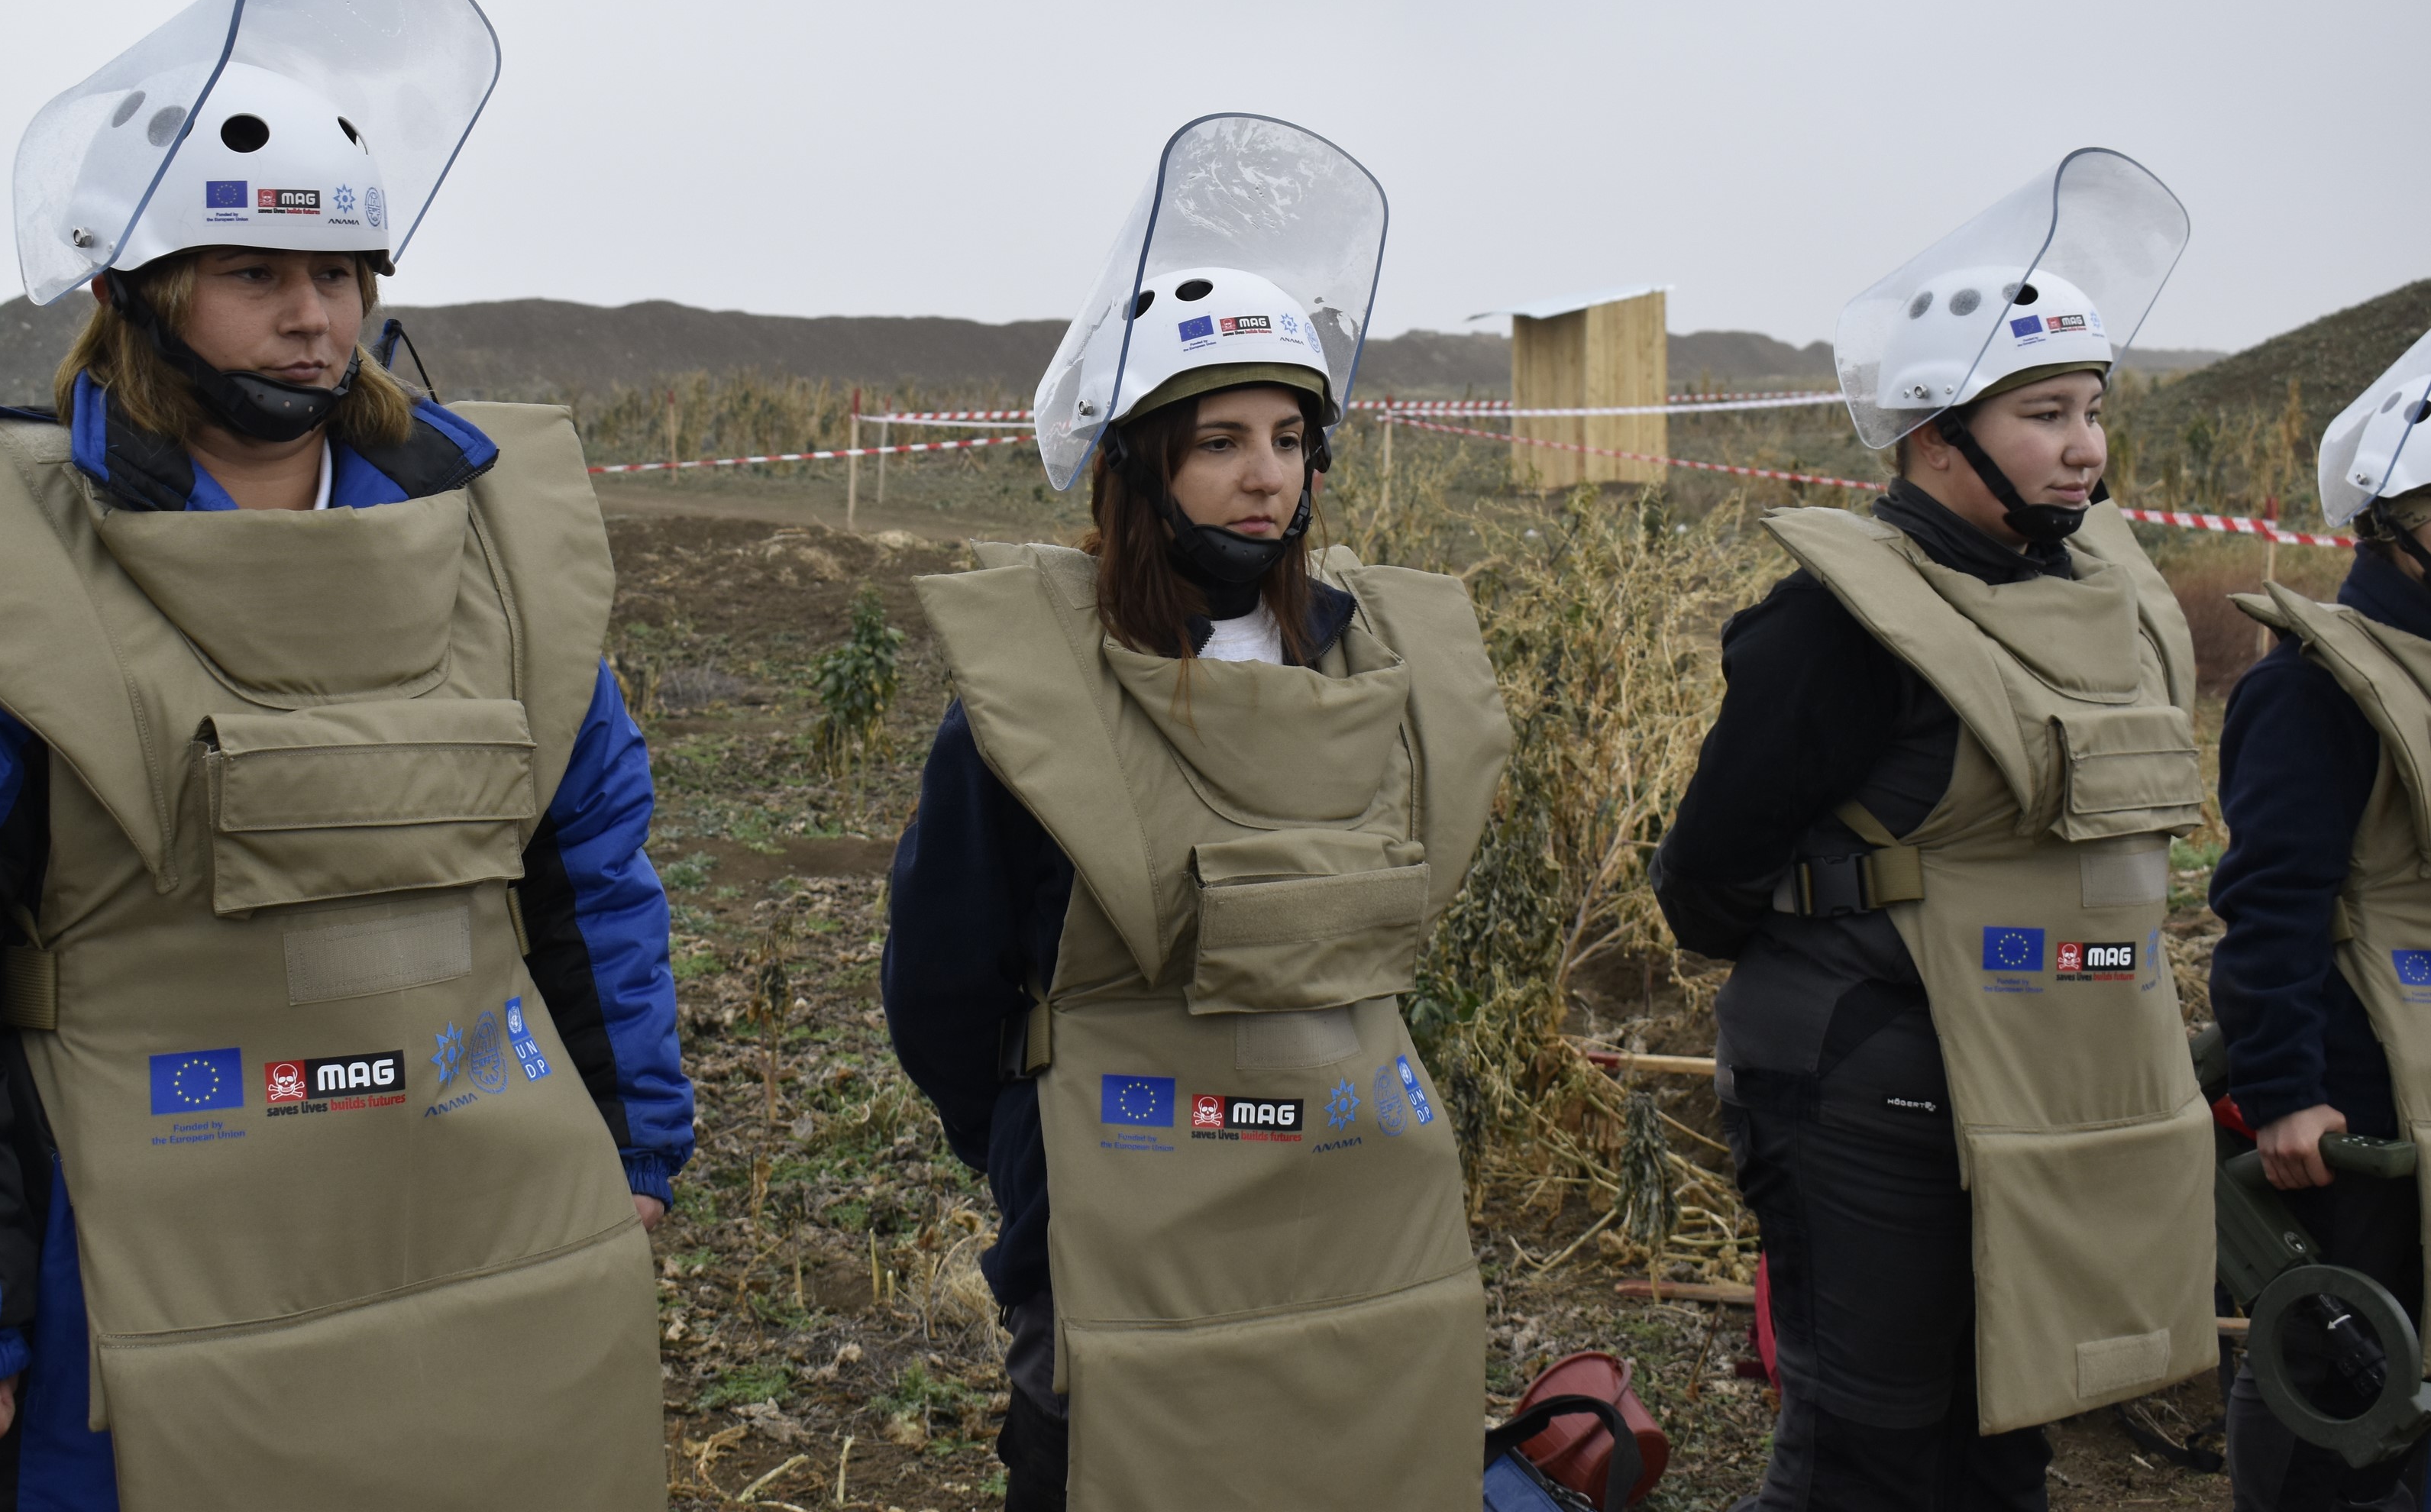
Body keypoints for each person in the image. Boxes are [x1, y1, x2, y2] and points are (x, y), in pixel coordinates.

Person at [0, 0, 687, 1512]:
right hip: (127, 1265)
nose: (311, 318)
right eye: (257, 273)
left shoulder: (492, 555)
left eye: (337, 275)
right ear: (140, 295)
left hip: (470, 1224)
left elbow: (587, 864)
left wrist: (634, 1141)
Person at [881, 115, 1513, 1512]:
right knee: (1109, 1449)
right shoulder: (1031, 699)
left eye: (1290, 437)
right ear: (1138, 463)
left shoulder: (1363, 659)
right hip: (1114, 1195)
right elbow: (940, 974)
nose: (1266, 473)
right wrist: (1031, 1153)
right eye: (1220, 439)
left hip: (1348, 1164)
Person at [1650, 150, 2217, 1510]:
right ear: (1930, 433)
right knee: (1871, 1439)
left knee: (2007, 1416)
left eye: (2092, 409)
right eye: (2041, 413)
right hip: (1867, 1079)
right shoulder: (1842, 623)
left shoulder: (2104, 597)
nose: (2084, 444)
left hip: (2044, 1069)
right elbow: (1704, 877)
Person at [2208, 328, 2431, 1510]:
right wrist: (2286, 1087)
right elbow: (2270, 900)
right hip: (2358, 1073)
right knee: (2337, 1344)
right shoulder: (2312, 684)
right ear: (2397, 520)